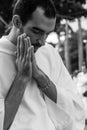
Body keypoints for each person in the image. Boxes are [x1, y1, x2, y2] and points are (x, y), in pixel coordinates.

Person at [0, 0, 85, 130]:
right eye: (37, 31)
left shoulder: (49, 52)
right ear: (17, 22)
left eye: (47, 33)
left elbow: (76, 108)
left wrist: (39, 75)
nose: (42, 41)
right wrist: (22, 78)